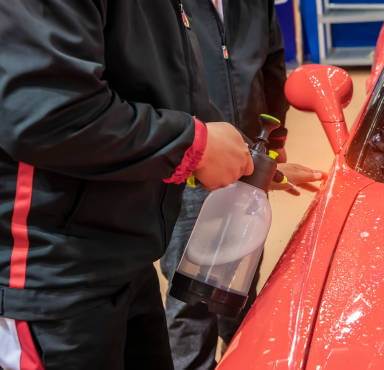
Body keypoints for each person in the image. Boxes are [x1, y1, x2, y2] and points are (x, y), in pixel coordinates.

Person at [0, 2, 253, 369]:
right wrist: (192, 146)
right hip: (54, 277)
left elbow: (158, 85)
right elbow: (45, 113)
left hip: (126, 254)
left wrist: (239, 155)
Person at [158, 1, 325, 369]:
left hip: (249, 161)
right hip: (190, 167)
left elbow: (272, 69)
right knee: (191, 299)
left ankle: (242, 358)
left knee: (239, 285)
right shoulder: (163, 7)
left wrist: (273, 147)